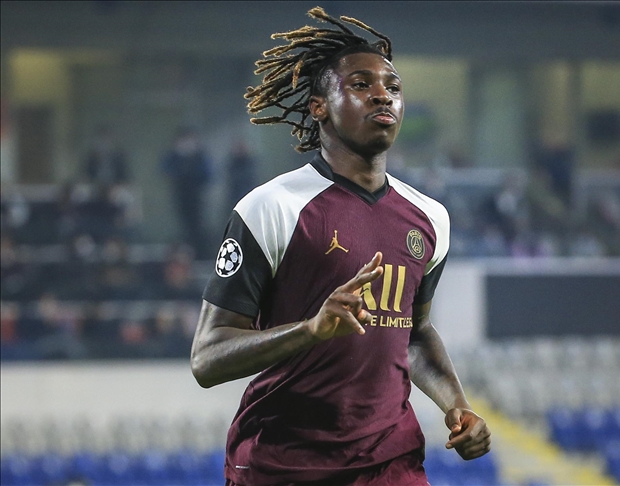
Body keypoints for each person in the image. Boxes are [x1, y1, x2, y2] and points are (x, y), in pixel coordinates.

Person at [190, 8, 491, 486]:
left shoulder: (430, 218)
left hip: (390, 464)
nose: (382, 95)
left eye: (393, 87)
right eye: (360, 84)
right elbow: (207, 358)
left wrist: (458, 406)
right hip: (283, 464)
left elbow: (414, 333)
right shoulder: (271, 207)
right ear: (319, 107)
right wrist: (310, 330)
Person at [161, 127, 212, 256]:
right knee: (183, 226)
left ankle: (200, 253)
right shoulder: (173, 157)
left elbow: (208, 175)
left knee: (198, 227)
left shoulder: (200, 156)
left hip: (197, 198)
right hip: (180, 197)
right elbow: (165, 170)